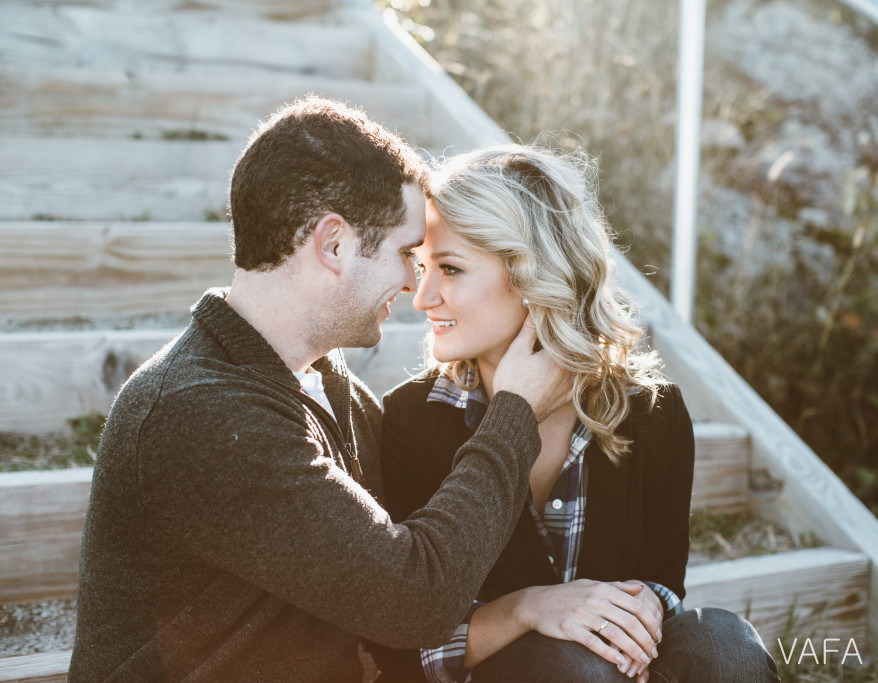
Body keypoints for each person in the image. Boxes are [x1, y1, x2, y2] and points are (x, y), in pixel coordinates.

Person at [69, 97, 572, 682]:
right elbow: (414, 601)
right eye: (405, 254)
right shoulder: (196, 409)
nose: (415, 283)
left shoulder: (337, 394)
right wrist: (514, 413)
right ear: (332, 244)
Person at [368, 144, 780, 682]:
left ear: (532, 274)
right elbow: (397, 643)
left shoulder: (653, 413)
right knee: (569, 664)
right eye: (422, 267)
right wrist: (530, 608)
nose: (421, 298)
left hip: (616, 670)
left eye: (448, 268)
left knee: (727, 646)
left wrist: (642, 608)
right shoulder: (410, 420)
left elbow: (662, 582)